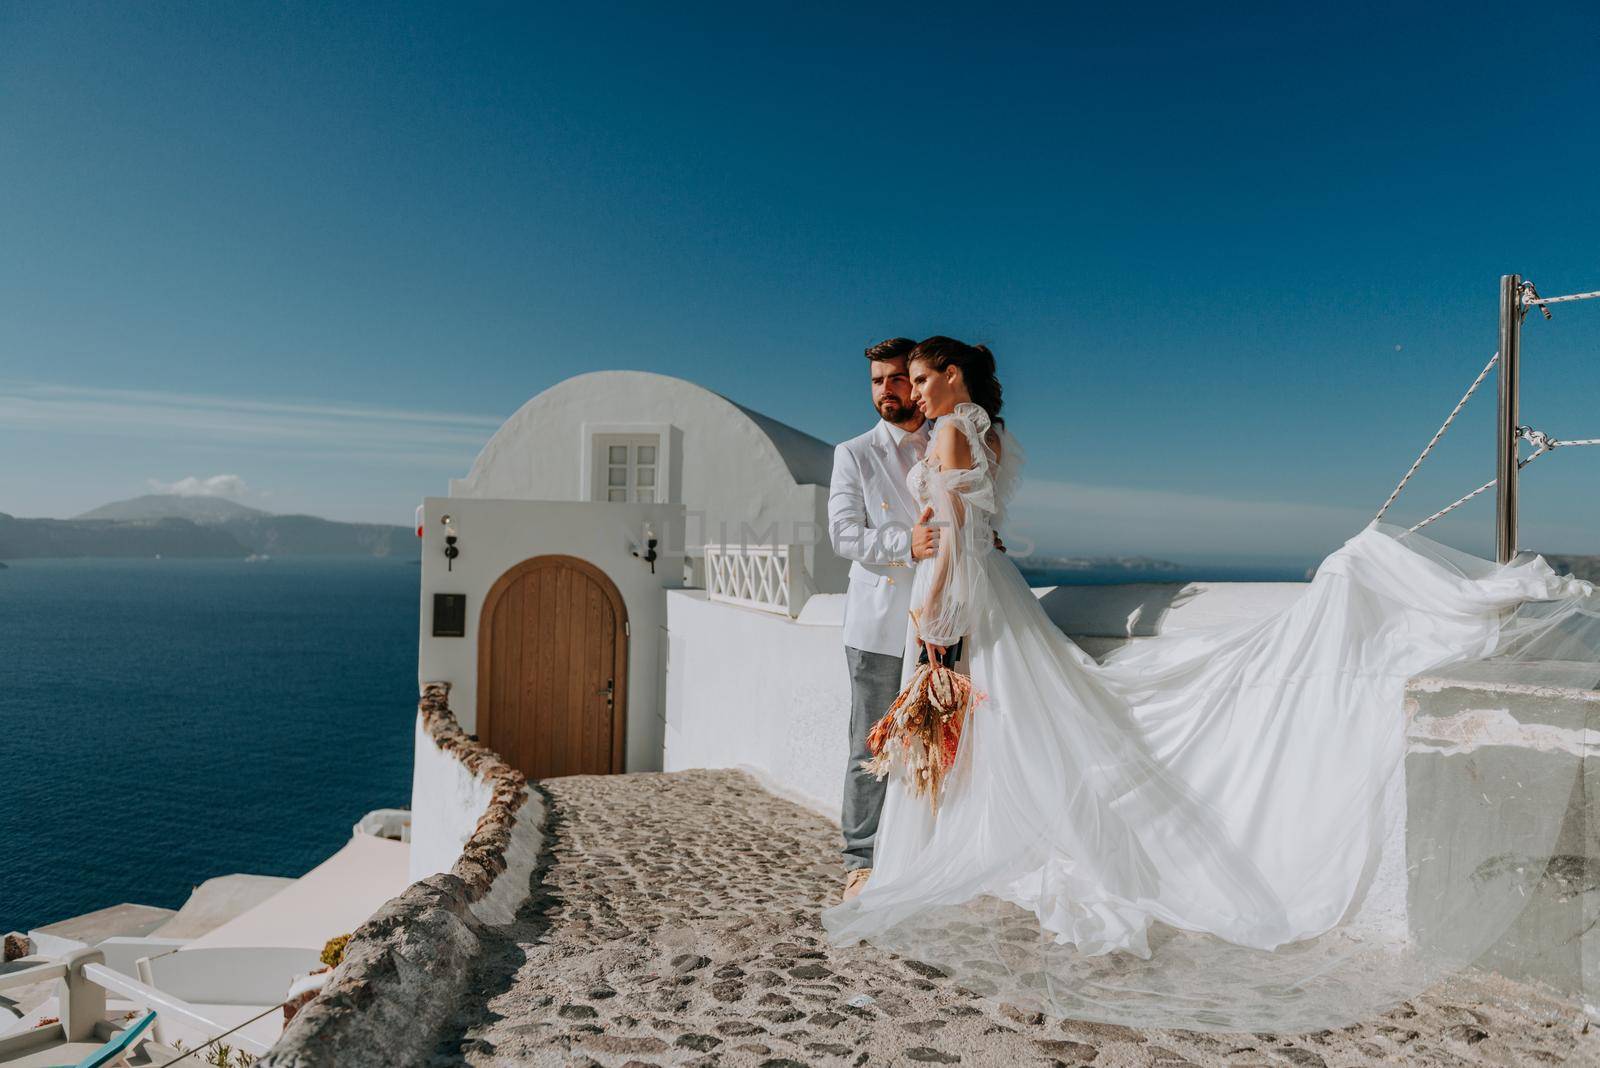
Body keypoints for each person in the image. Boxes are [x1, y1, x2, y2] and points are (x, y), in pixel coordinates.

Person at [821, 335, 1596, 1031]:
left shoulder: (952, 432)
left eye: (922, 378)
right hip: (999, 589)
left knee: (1011, 723)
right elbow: (971, 529)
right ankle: (982, 840)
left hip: (969, 597)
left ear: (952, 377)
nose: (914, 393)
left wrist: (934, 618)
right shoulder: (983, 431)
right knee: (1016, 722)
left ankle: (969, 849)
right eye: (906, 382)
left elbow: (954, 543)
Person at [826, 337, 943, 902]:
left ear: (917, 381)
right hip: (876, 623)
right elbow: (843, 534)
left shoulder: (946, 440)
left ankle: (926, 854)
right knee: (869, 747)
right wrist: (908, 543)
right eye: (877, 381)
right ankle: (860, 862)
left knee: (936, 741)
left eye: (897, 378)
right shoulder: (853, 453)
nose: (886, 391)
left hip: (936, 620)